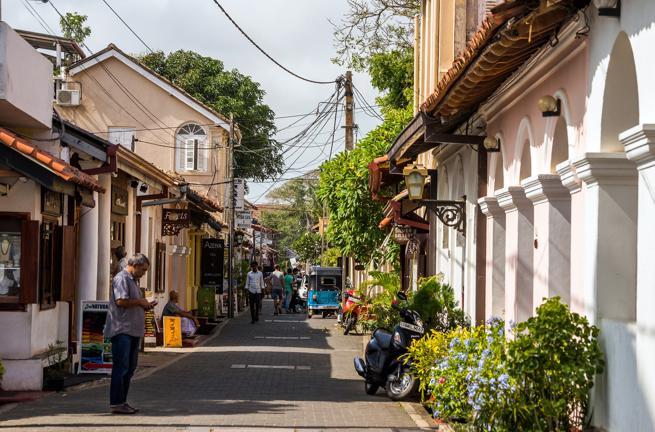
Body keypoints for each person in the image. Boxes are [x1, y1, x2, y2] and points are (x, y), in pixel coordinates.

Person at [104, 253, 154, 415]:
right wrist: (141, 302)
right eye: (143, 270)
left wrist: (145, 306)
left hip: (132, 331)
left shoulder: (132, 280)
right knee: (121, 368)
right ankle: (116, 403)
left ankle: (122, 401)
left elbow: (130, 303)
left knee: (130, 368)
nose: (144, 273)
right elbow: (121, 301)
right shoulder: (122, 278)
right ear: (135, 265)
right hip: (122, 330)